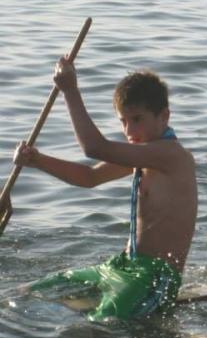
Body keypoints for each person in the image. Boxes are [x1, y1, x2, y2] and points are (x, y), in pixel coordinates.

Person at [14, 57, 197, 321]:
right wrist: (38, 160)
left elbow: (94, 148)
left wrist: (70, 91)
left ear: (164, 116)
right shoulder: (142, 154)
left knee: (100, 326)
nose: (129, 130)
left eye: (137, 119)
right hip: (123, 266)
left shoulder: (171, 155)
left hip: (155, 277)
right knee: (29, 292)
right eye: (123, 121)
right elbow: (89, 177)